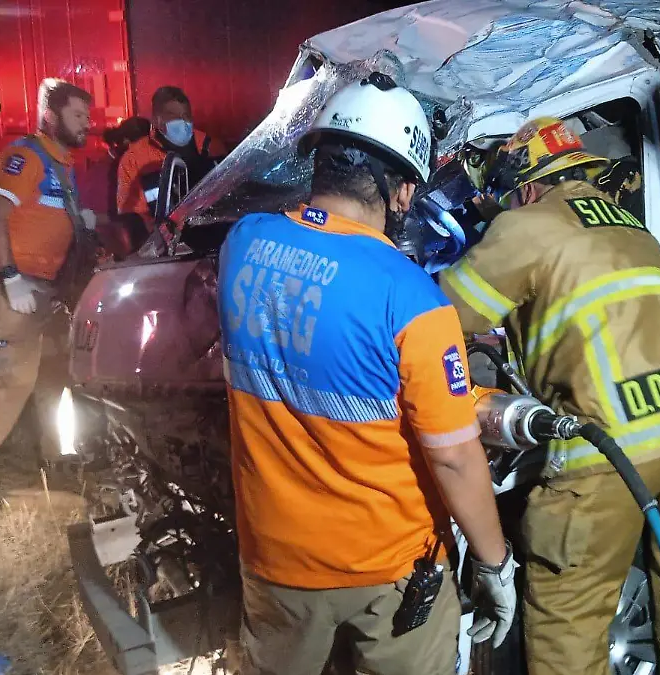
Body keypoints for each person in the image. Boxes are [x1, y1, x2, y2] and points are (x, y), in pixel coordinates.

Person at [217, 73, 517, 675]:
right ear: (401, 191)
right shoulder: (410, 298)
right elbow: (455, 458)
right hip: (390, 574)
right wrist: (493, 563)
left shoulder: (243, 243)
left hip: (274, 560)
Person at [437, 117, 660, 675]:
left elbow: (438, 317)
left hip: (611, 446)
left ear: (526, 183)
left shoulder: (527, 225)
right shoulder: (631, 227)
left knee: (568, 612)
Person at [0, 79, 98, 510]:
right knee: (14, 376)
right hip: (14, 283)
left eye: (88, 116)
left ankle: (56, 458)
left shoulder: (62, 164)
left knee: (54, 376)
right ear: (51, 116)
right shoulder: (23, 156)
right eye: (78, 116)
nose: (87, 124)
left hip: (49, 288)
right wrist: (11, 277)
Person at [116, 86, 225, 247]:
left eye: (186, 116)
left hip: (215, 241)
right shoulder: (135, 159)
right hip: (165, 249)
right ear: (157, 120)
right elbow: (132, 217)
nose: (182, 122)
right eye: (173, 117)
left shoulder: (211, 147)